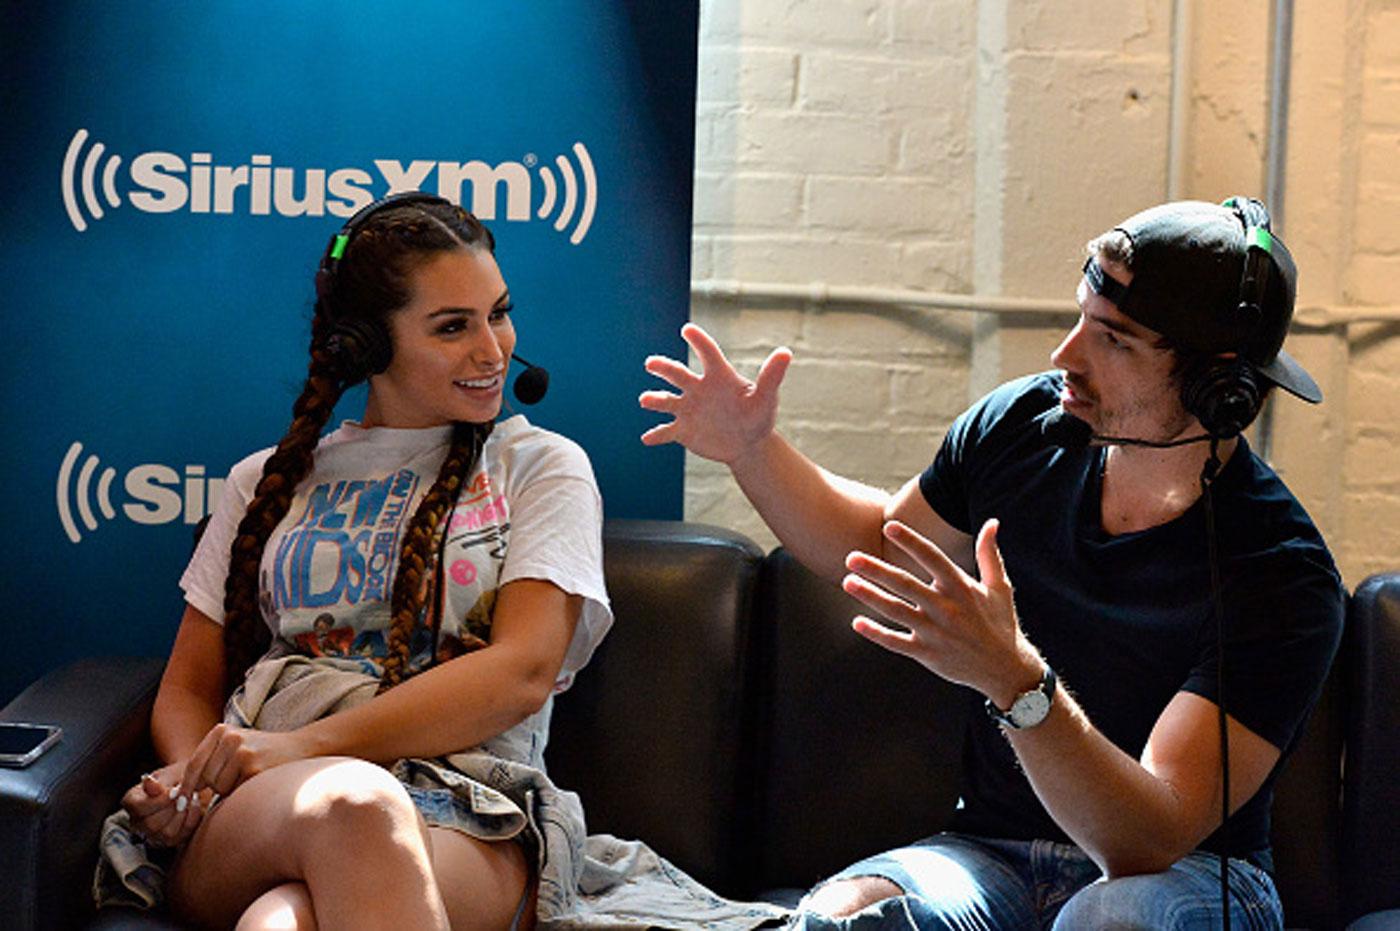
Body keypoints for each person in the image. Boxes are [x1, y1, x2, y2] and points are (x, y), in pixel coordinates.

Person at [639, 198, 1344, 929]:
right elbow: (886, 550)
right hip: (989, 854)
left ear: (1216, 386)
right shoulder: (1021, 427)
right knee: (835, 920)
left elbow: (1147, 836)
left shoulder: (1281, 574)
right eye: (1080, 318)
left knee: (1113, 920)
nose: (1064, 356)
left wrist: (1014, 679)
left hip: (1188, 876)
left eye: (1113, 339)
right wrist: (754, 451)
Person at [97, 193, 614, 930]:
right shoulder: (263, 481)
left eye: (498, 313)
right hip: (266, 805)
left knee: (282, 919)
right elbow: (188, 687)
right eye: (452, 326)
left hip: (468, 807)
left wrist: (301, 746)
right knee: (352, 804)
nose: (493, 349)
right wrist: (193, 778)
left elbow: (522, 672)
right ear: (368, 344)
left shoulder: (541, 467)